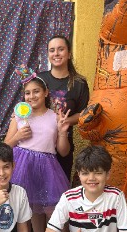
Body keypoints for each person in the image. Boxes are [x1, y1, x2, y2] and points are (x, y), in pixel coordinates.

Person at [4, 68, 71, 232]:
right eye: (27, 93)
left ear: (46, 92)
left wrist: (62, 132)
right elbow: (6, 146)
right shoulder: (19, 116)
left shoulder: (54, 117)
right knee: (33, 207)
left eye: (36, 91)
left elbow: (63, 151)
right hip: (23, 166)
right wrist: (18, 136)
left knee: (52, 208)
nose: (31, 96)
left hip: (47, 166)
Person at [38, 35, 89, 180]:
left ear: (69, 54)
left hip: (63, 144)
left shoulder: (79, 83)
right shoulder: (40, 79)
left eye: (61, 49)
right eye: (52, 50)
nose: (56, 53)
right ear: (48, 54)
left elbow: (83, 113)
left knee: (61, 185)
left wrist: (65, 122)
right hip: (40, 143)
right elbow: (28, 107)